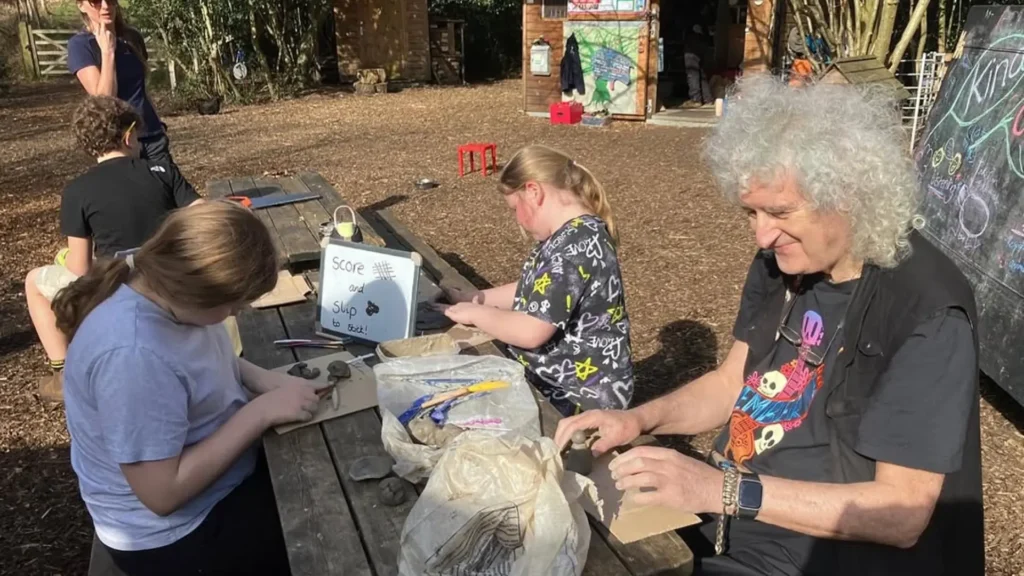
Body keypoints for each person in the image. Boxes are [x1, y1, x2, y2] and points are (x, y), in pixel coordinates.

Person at [554, 75, 984, 576]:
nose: (761, 233)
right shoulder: (784, 265)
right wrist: (636, 421)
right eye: (750, 212)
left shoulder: (926, 310)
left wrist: (720, 490)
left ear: (847, 193)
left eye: (778, 211)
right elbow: (731, 383)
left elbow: (902, 512)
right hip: (731, 523)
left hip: (817, 557)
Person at [55, 200, 319, 576]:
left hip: (216, 483)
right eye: (234, 306)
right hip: (175, 533)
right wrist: (261, 411)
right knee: (323, 527)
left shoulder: (159, 281)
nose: (235, 315)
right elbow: (162, 494)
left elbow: (196, 359)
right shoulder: (133, 354)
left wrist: (265, 380)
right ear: (199, 293)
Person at [25, 95, 203, 403]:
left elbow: (79, 269)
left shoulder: (77, 191)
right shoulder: (162, 172)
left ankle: (64, 373)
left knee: (33, 282)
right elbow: (204, 218)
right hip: (168, 278)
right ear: (128, 135)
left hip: (115, 288)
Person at [437, 145, 634, 417]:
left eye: (514, 208)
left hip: (579, 394)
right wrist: (475, 298)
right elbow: (538, 289)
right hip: (565, 376)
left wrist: (476, 313)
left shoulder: (575, 246)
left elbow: (530, 332)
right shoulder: (571, 235)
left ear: (533, 191)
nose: (516, 219)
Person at [68, 0, 173, 166]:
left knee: (167, 189)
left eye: (110, 0)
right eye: (95, 1)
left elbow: (141, 87)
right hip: (118, 143)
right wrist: (108, 51)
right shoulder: (80, 45)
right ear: (81, 5)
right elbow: (103, 99)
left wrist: (158, 125)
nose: (105, 6)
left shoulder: (132, 38)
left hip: (152, 138)